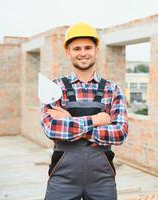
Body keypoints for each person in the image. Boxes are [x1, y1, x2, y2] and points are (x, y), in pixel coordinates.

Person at [41, 22, 129, 200]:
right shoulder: (55, 88)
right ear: (68, 52)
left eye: (88, 47)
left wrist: (70, 122)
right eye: (77, 48)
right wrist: (96, 120)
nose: (83, 53)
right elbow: (52, 128)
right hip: (63, 179)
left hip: (102, 180)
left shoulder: (112, 89)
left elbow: (120, 133)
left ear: (96, 50)